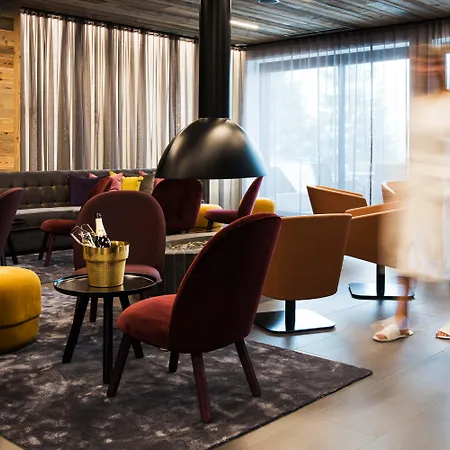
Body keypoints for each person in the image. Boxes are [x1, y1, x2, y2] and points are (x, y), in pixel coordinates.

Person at [374, 45, 450, 342]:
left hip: (445, 191)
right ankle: (401, 319)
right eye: (420, 65)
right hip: (418, 191)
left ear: (441, 68)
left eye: (432, 65)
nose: (426, 70)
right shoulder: (418, 106)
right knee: (408, 253)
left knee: (445, 252)